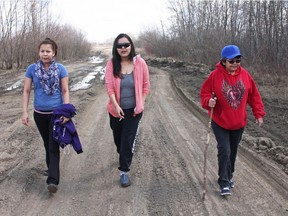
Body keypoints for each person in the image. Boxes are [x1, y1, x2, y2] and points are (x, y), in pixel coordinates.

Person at [200, 45, 265, 196]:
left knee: (233, 152)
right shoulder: (214, 76)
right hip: (220, 121)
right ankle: (223, 182)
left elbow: (254, 96)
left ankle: (229, 176)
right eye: (231, 61)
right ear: (223, 62)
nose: (235, 63)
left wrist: (258, 114)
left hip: (238, 123)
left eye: (238, 60)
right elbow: (204, 93)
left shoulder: (246, 76)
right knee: (225, 150)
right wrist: (208, 101)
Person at [22, 38, 70, 193]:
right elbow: (27, 90)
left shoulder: (61, 69)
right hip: (39, 114)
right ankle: (51, 168)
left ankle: (53, 180)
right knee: (47, 143)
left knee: (53, 146)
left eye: (48, 51)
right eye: (42, 51)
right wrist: (25, 111)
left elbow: (64, 91)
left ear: (54, 52)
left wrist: (66, 111)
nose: (45, 54)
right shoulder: (31, 69)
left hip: (56, 114)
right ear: (39, 52)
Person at [105, 33, 150, 187]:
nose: (123, 48)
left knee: (127, 140)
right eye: (119, 45)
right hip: (115, 110)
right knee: (118, 138)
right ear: (115, 48)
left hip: (134, 110)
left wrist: (141, 103)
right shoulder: (111, 64)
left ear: (131, 46)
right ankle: (122, 152)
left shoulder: (140, 63)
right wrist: (116, 106)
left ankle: (124, 171)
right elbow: (109, 87)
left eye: (126, 45)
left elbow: (146, 86)